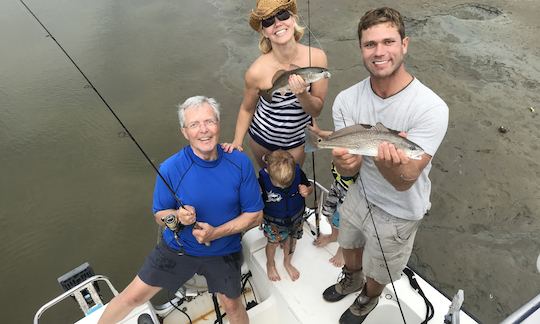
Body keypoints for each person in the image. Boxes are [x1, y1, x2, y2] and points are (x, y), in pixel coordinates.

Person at [321, 7, 449, 324]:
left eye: (388, 42)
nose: (380, 52)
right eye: (370, 44)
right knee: (348, 244)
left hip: (400, 208)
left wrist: (385, 159)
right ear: (361, 49)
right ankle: (351, 278)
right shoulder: (346, 100)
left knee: (379, 267)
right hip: (358, 194)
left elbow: (405, 179)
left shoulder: (431, 108)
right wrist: (344, 162)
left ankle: (368, 297)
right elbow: (348, 170)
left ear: (405, 44)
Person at [98, 96, 264, 324]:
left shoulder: (239, 162)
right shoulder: (170, 168)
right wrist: (177, 216)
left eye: (209, 122)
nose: (203, 130)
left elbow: (255, 215)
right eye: (194, 125)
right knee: (131, 297)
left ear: (218, 124)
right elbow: (159, 215)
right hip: (177, 249)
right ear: (185, 132)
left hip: (223, 251)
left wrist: (216, 233)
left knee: (233, 305)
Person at [222, 0, 328, 168]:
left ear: (293, 19)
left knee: (292, 183)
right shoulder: (256, 71)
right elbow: (247, 108)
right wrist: (237, 141)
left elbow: (316, 109)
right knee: (269, 184)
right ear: (264, 32)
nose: (278, 23)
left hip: (297, 141)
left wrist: (302, 94)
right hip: (262, 139)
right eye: (269, 21)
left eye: (283, 15)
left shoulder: (317, 58)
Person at [258, 149, 312, 281]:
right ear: (268, 173)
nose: (283, 187)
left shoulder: (298, 173)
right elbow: (255, 202)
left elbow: (309, 187)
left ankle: (287, 262)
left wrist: (307, 191)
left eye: (288, 183)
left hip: (296, 218)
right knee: (272, 243)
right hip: (274, 223)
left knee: (292, 241)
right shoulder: (262, 181)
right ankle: (270, 263)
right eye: (279, 184)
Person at [313, 162, 357, 267]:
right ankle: (334, 236)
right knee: (329, 214)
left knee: (348, 226)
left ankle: (342, 249)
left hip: (353, 196)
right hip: (338, 186)